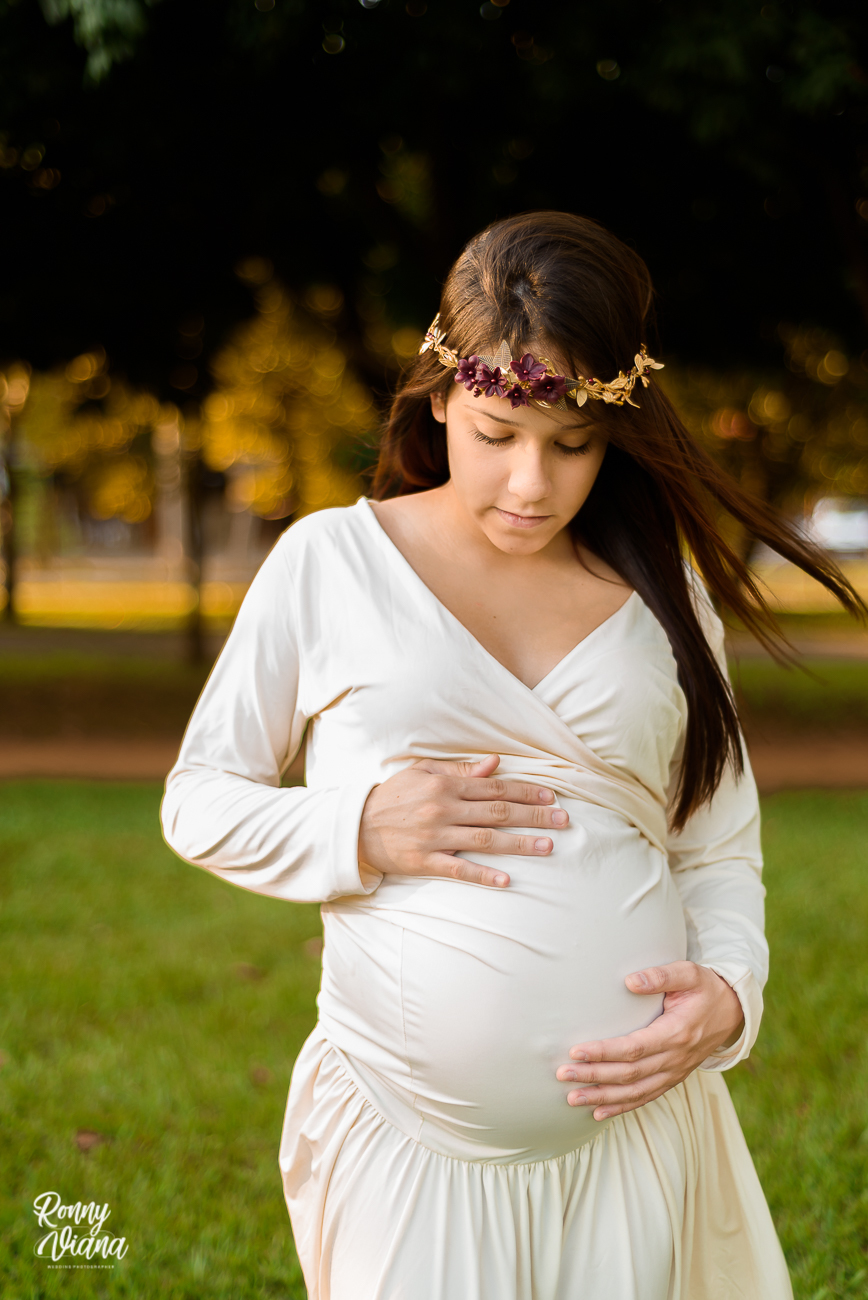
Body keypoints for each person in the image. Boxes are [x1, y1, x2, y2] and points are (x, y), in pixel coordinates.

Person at [161, 212, 862, 1300]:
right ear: (439, 396)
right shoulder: (331, 563)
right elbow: (198, 799)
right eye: (497, 434)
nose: (530, 484)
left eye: (571, 444)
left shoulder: (658, 600)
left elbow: (717, 848)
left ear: (615, 430)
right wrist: (358, 826)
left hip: (632, 1143)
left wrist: (730, 992)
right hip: (409, 1143)